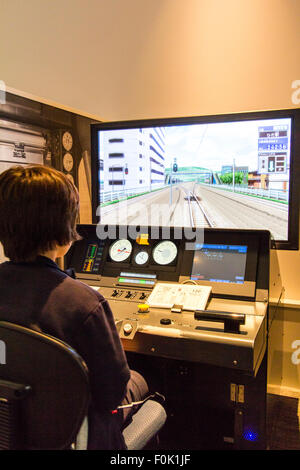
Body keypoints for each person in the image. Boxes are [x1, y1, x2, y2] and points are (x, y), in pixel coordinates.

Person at [0, 164, 149, 450]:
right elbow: (111, 394)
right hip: (75, 438)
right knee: (137, 380)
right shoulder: (85, 304)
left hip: (12, 430)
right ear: (64, 232)